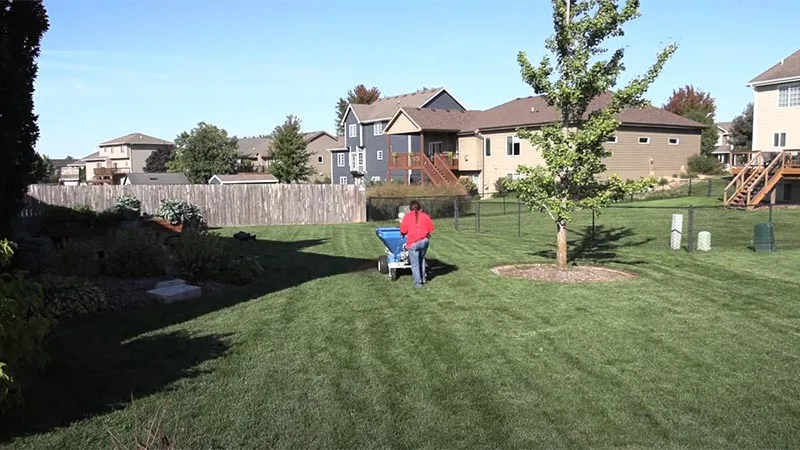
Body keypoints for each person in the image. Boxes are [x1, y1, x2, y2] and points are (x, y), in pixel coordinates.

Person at [399, 200, 435, 288]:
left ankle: (418, 283)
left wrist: (404, 234)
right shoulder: (425, 216)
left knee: (415, 264)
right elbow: (431, 229)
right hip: (424, 241)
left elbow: (403, 231)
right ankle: (423, 279)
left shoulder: (407, 217)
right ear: (420, 208)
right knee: (421, 259)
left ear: (410, 208)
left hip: (413, 243)